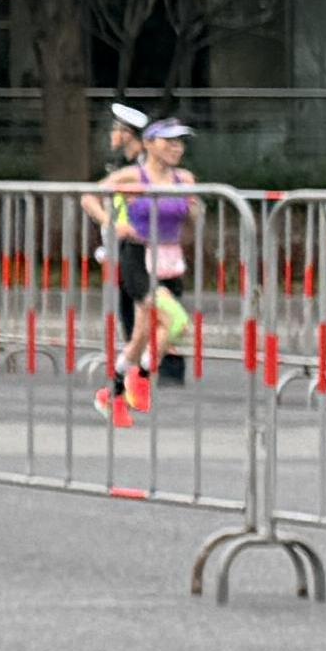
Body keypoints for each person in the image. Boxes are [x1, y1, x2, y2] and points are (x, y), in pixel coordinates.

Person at [94, 116, 200, 423]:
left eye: (180, 143)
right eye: (170, 142)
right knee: (177, 321)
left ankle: (111, 393)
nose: (176, 149)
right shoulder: (133, 175)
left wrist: (194, 211)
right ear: (151, 144)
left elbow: (190, 218)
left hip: (169, 258)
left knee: (142, 333)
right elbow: (89, 196)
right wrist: (111, 222)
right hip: (139, 256)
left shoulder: (185, 179)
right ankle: (139, 375)